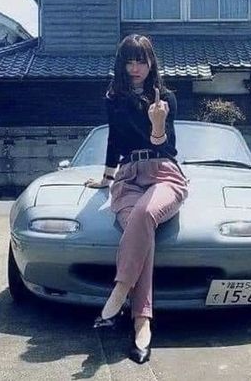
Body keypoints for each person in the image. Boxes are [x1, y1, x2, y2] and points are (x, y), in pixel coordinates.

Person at [84, 34, 189, 364]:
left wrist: (157, 123)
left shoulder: (166, 97)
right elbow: (114, 139)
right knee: (140, 235)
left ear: (151, 61)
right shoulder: (114, 98)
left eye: (141, 61)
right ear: (122, 63)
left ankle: (118, 293)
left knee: (144, 216)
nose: (135, 68)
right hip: (128, 177)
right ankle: (142, 324)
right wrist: (105, 178)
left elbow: (162, 144)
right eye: (129, 61)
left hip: (163, 173)